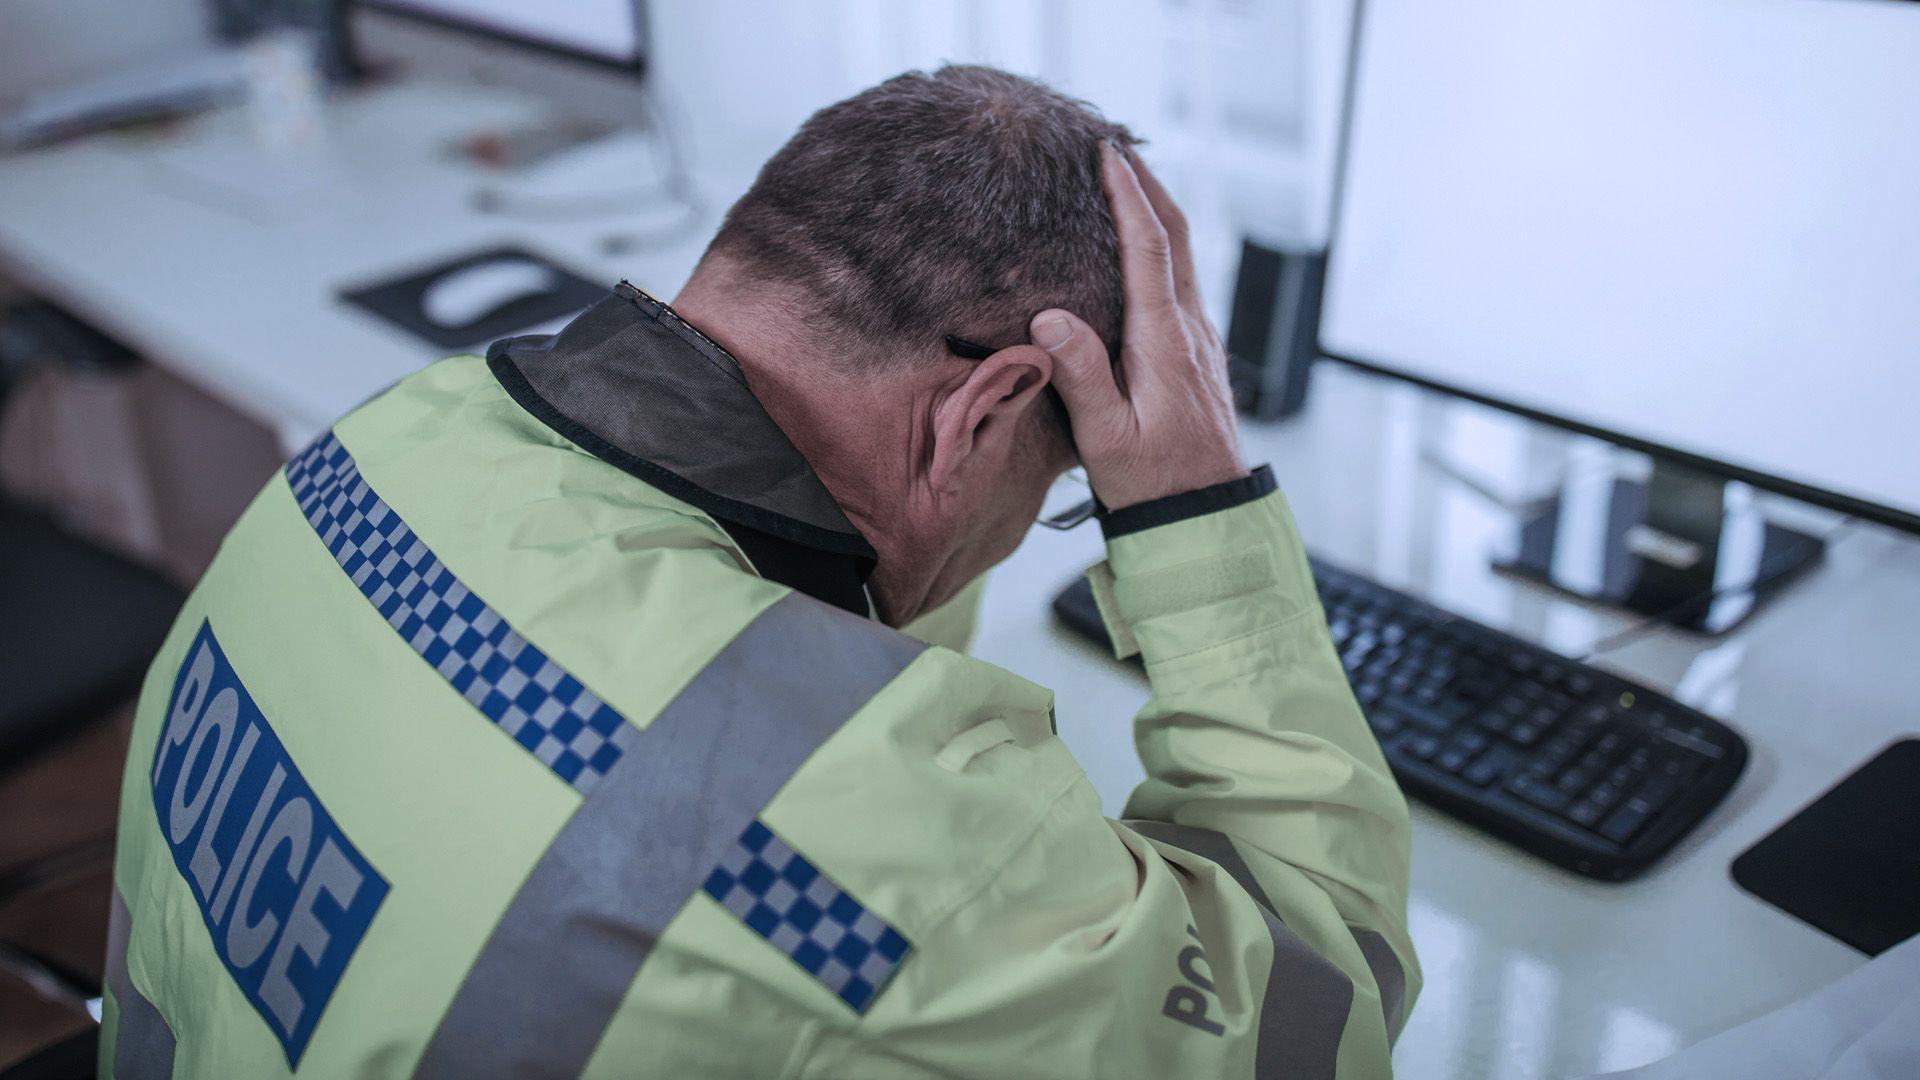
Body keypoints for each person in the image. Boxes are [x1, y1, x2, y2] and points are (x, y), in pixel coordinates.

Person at [103, 66, 1417, 1078]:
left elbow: (783, 664)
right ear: (985, 412)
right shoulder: (886, 840)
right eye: (1065, 483)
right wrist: (1195, 515)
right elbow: (1321, 1015)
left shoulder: (393, 441)